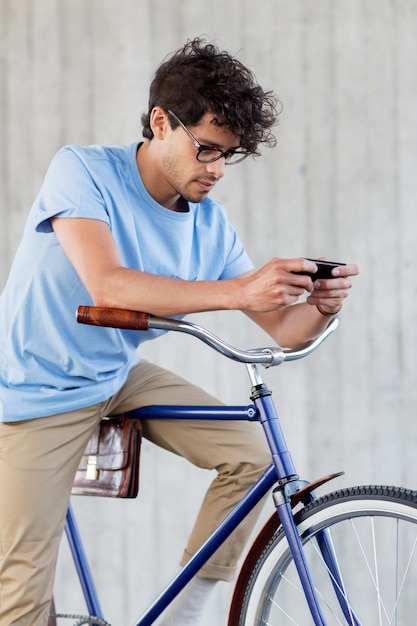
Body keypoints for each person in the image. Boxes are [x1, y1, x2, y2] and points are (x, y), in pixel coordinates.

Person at [0, 36, 359, 626]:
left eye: (229, 156)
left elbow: (284, 330)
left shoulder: (209, 226)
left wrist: (321, 304)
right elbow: (108, 285)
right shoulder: (82, 170)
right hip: (38, 386)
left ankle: (183, 614)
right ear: (160, 123)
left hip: (115, 374)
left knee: (255, 459)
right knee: (20, 599)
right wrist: (238, 291)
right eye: (207, 150)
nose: (217, 170)